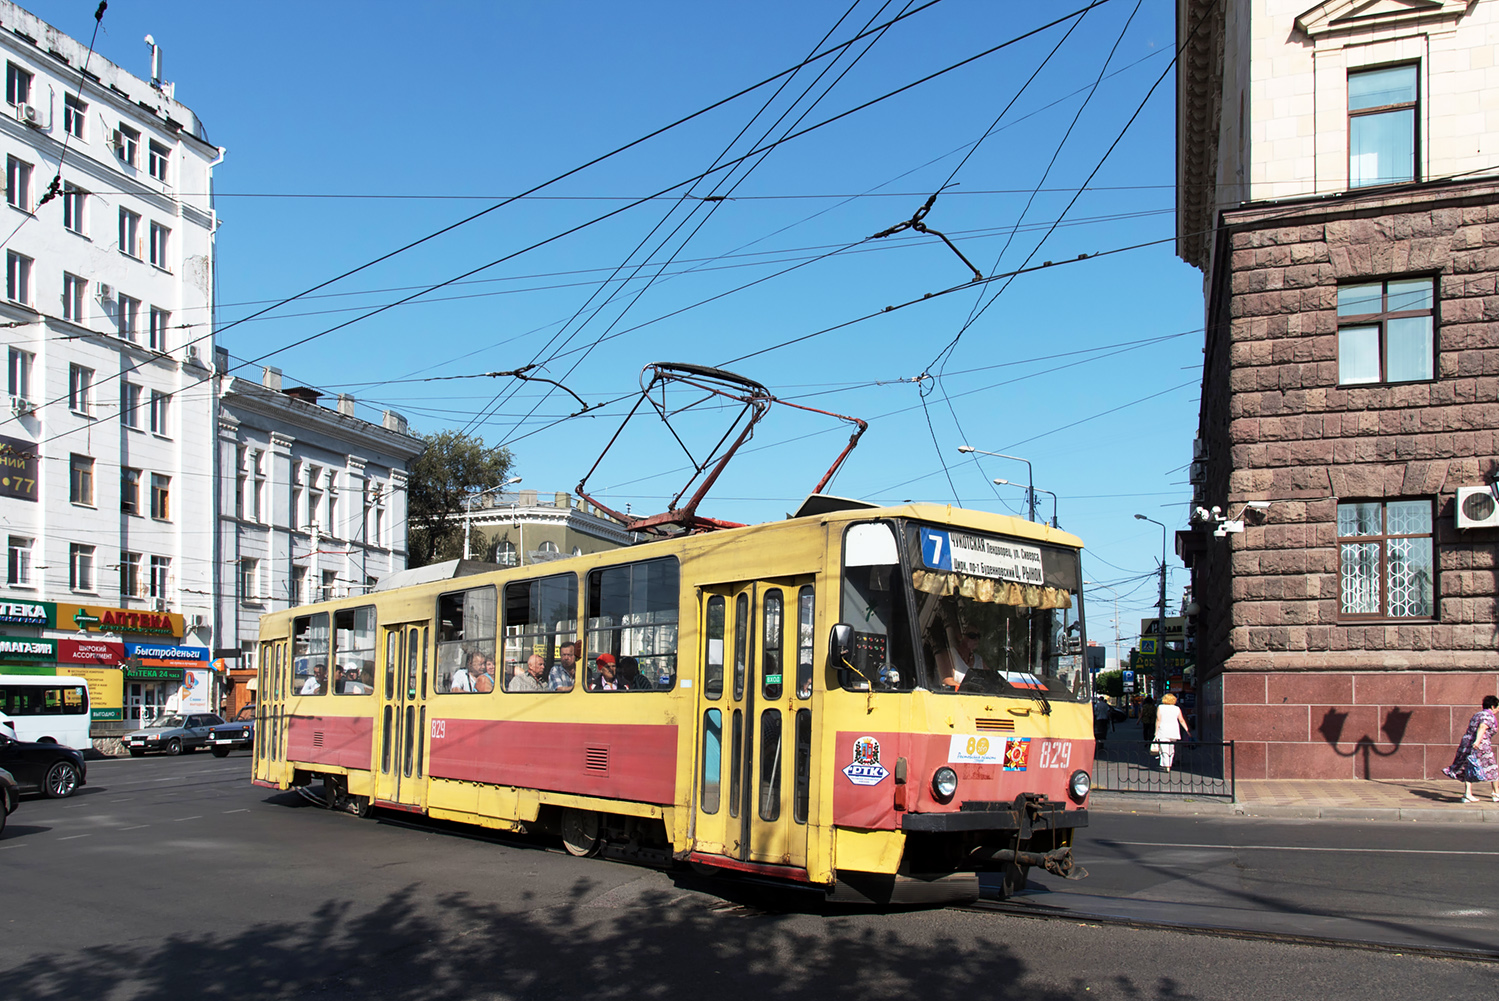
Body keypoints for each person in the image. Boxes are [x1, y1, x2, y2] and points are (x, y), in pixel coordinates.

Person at [1443, 695, 1499, 803]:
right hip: (1481, 745)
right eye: (1497, 707)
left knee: (1468, 767)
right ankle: (1496, 793)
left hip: (1467, 743)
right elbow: (1483, 727)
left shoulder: (1477, 715)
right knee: (1492, 768)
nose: (1498, 710)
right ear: (1492, 706)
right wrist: (1478, 741)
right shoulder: (1488, 716)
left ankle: (1467, 793)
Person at [1153, 693, 1190, 772]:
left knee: (1164, 748)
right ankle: (1169, 763)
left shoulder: (1160, 707)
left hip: (1163, 730)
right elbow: (1181, 720)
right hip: (1174, 730)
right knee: (1171, 748)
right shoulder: (1177, 708)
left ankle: (1166, 765)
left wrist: (1156, 731)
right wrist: (1187, 730)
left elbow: (1158, 720)